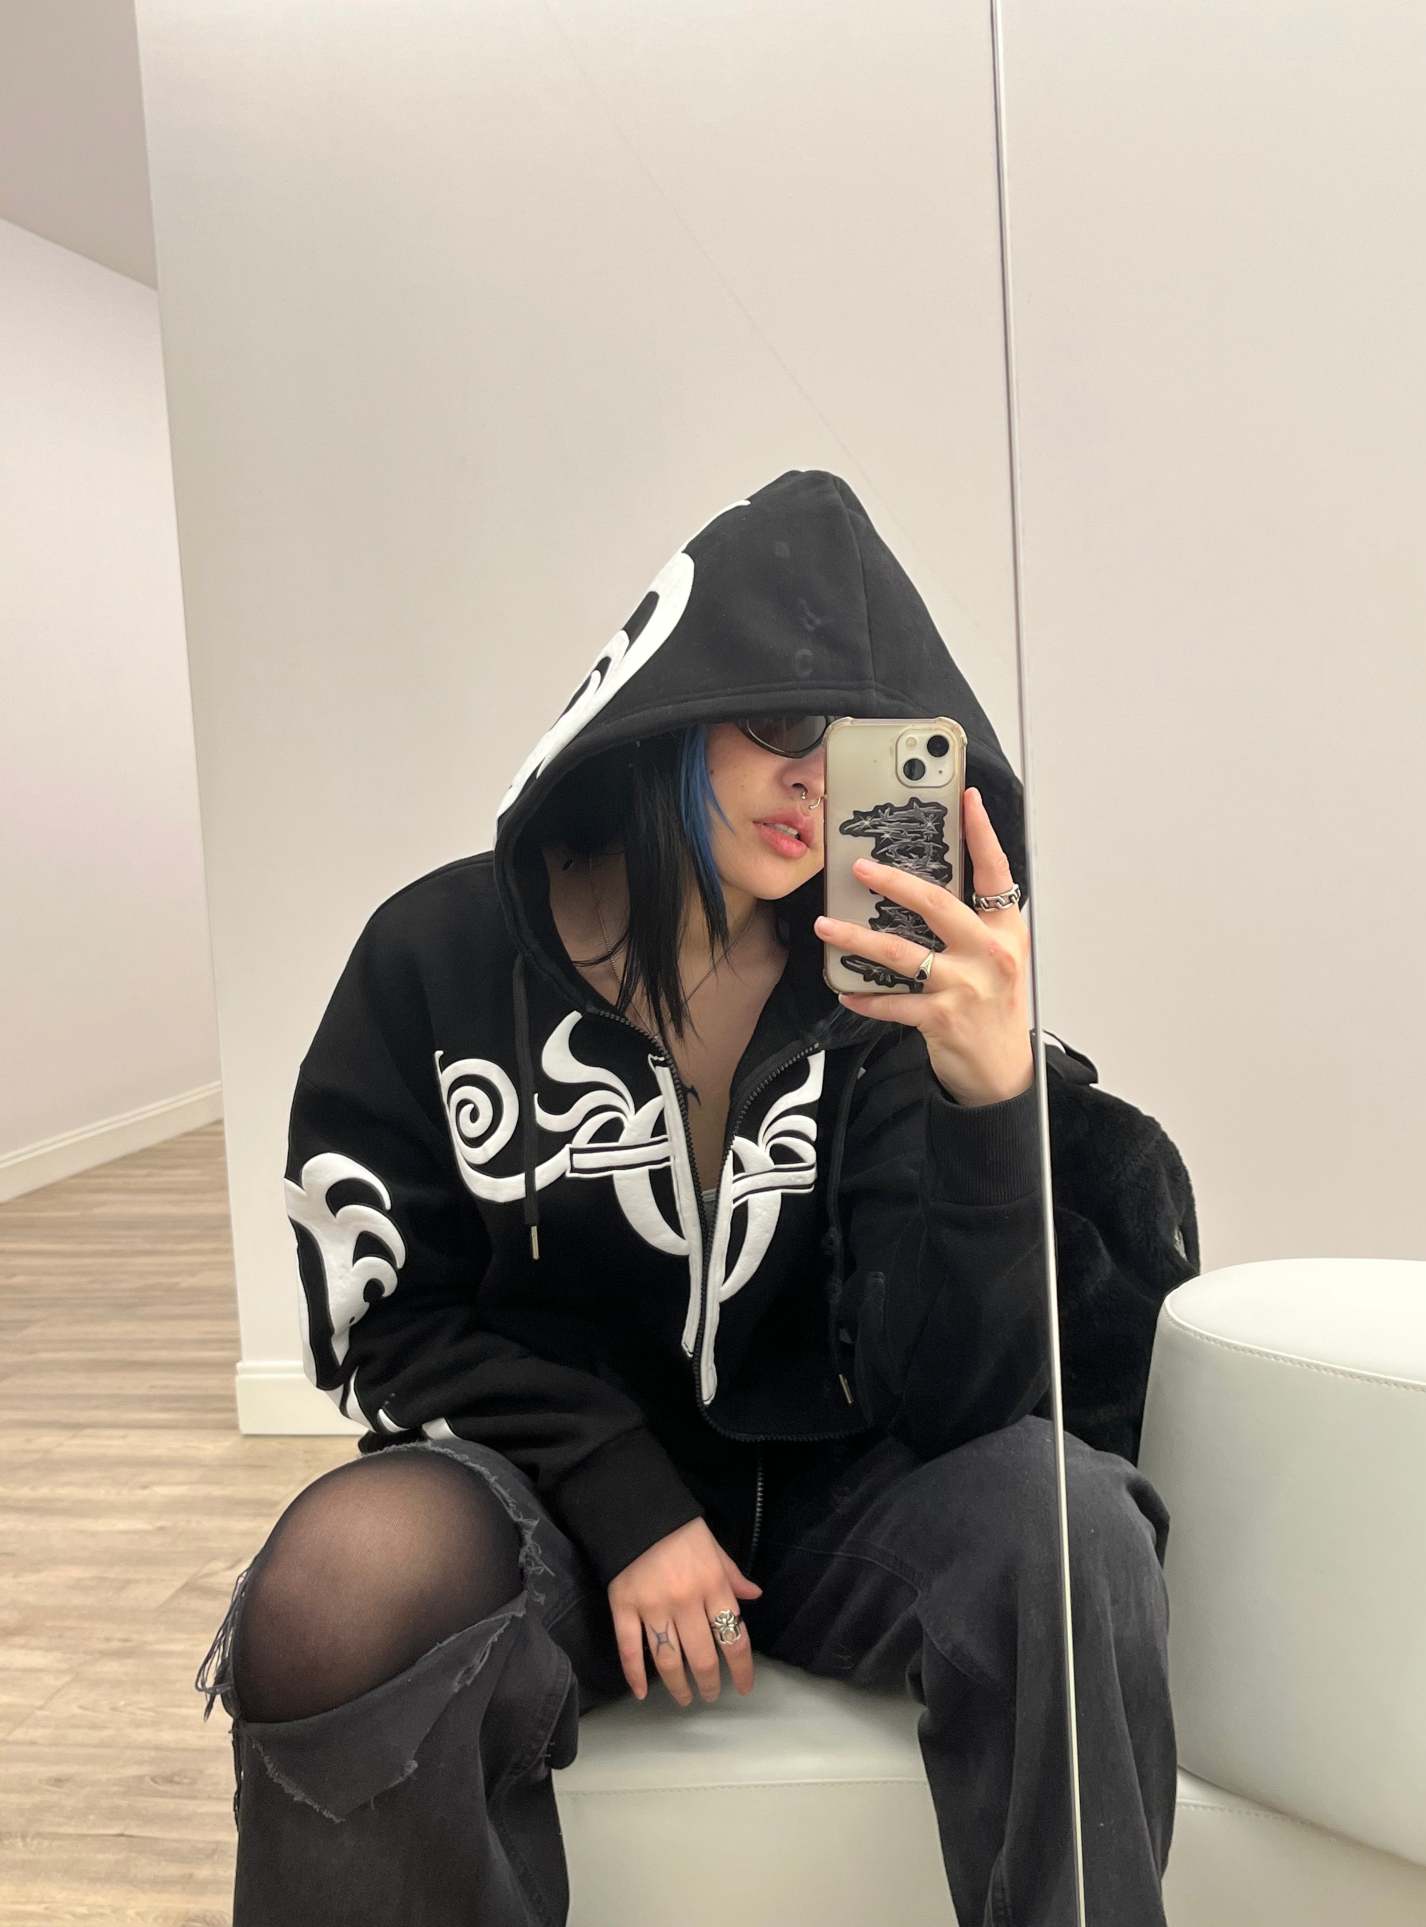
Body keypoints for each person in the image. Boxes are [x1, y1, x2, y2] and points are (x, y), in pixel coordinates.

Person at [194, 469, 1181, 1926]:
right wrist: (624, 1494)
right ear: (672, 709)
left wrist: (986, 1105)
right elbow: (387, 1321)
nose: (813, 782)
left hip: (849, 1499)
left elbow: (963, 1401)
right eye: (778, 726)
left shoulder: (891, 993)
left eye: (861, 747)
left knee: (1068, 1522)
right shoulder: (440, 954)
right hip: (546, 1501)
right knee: (337, 1587)